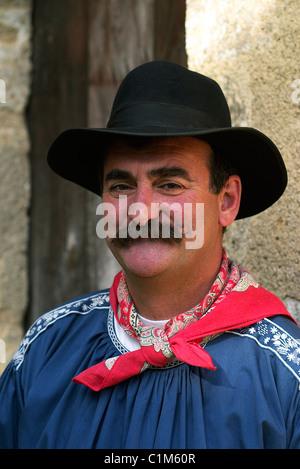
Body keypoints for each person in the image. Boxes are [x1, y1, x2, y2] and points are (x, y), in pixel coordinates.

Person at [0, 61, 299, 449]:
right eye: (121, 185)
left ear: (226, 201)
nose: (140, 211)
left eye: (170, 184)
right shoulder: (47, 347)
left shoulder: (284, 375)